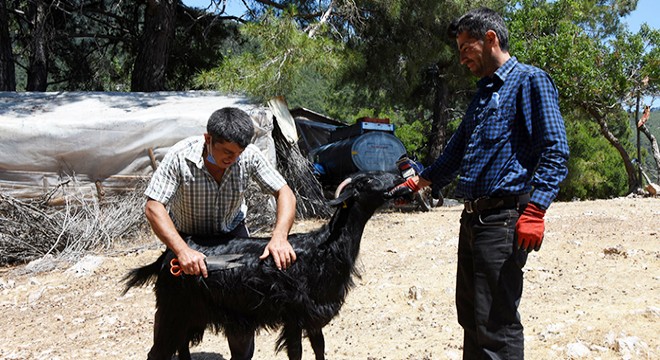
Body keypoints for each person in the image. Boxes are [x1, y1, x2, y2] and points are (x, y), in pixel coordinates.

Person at [388, 7, 569, 359]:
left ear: (490, 39)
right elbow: (455, 153)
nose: (461, 59)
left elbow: (555, 149)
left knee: (495, 324)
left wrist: (536, 209)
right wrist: (418, 183)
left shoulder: (530, 81)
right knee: (471, 319)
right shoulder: (482, 96)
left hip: (503, 222)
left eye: (464, 48)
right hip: (471, 221)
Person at [143, 107, 297, 360]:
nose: (233, 158)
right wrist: (182, 250)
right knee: (173, 307)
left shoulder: (249, 156)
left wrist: (279, 237)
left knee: (243, 304)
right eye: (226, 152)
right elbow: (153, 206)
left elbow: (285, 193)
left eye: (238, 153)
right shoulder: (180, 156)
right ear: (208, 139)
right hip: (188, 237)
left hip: (232, 236)